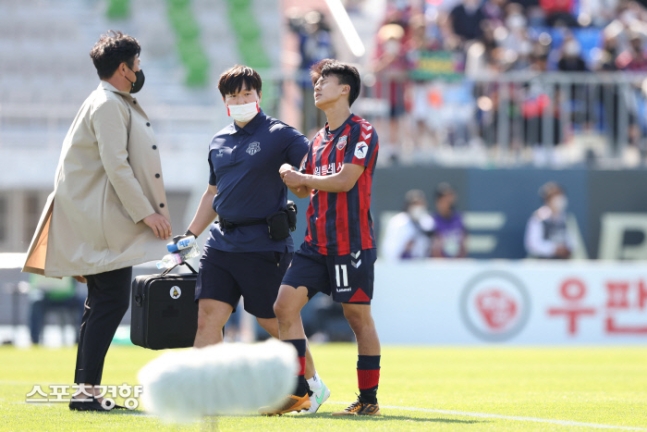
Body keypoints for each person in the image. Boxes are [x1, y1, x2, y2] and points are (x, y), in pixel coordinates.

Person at [22, 31, 172, 412]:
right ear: (124, 68)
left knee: (101, 303)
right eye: (137, 64)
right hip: (104, 221)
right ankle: (87, 391)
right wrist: (147, 213)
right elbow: (116, 166)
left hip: (98, 217)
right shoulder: (107, 104)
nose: (140, 71)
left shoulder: (105, 100)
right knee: (110, 302)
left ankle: (85, 391)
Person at [178, 65, 328, 414]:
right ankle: (206, 395)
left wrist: (299, 181)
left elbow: (312, 169)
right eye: (234, 96)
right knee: (207, 318)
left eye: (247, 94)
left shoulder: (280, 134)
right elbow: (212, 193)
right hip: (220, 243)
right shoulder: (219, 140)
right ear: (225, 101)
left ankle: (312, 385)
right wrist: (189, 235)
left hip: (264, 243)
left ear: (259, 96)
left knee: (273, 322)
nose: (241, 100)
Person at [267, 59, 381, 416]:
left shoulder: (362, 131)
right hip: (315, 244)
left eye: (324, 81)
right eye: (316, 82)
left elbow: (345, 181)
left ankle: (369, 401)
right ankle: (304, 392)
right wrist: (292, 177)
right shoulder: (318, 139)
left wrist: (304, 177)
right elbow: (307, 192)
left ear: (345, 89)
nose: (316, 86)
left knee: (357, 319)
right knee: (283, 307)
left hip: (352, 244)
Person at [28, 275, 84, 346]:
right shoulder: (39, 264)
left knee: (84, 303)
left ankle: (80, 338)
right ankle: (34, 340)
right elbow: (35, 285)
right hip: (46, 297)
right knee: (36, 303)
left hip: (66, 297)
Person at [525, 182, 574, 259]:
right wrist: (554, 249)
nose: (559, 199)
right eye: (555, 196)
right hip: (542, 264)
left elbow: (573, 242)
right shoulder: (538, 217)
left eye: (560, 195)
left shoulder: (566, 218)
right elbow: (532, 244)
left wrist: (566, 249)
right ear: (547, 199)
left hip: (563, 264)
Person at [382, 189, 434, 260]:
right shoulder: (397, 222)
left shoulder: (428, 221)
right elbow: (389, 251)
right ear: (408, 205)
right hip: (401, 266)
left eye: (421, 204)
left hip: (423, 265)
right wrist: (405, 248)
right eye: (415, 204)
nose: (418, 207)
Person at [431, 183, 467, 258]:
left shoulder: (458, 218)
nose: (448, 201)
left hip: (457, 264)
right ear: (438, 201)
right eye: (444, 198)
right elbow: (433, 249)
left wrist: (458, 261)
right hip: (438, 266)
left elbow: (464, 243)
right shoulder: (432, 221)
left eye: (450, 197)